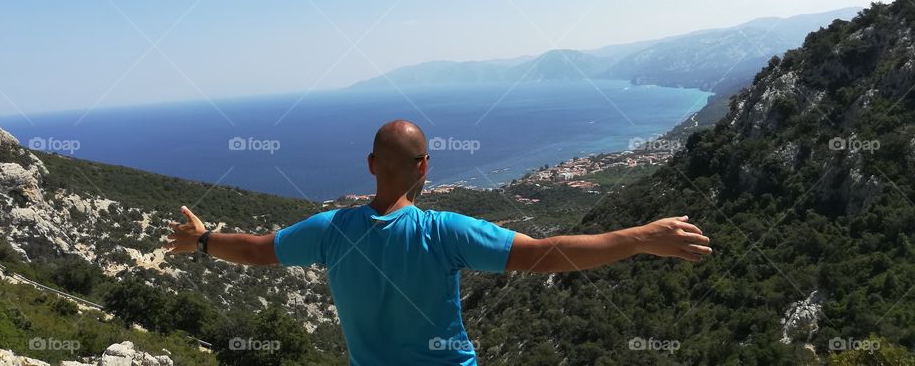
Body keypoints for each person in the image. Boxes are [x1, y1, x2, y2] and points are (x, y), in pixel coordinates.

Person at [166, 119, 711, 365]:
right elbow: (548, 255)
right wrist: (639, 237)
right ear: (425, 167)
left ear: (372, 165)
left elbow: (258, 250)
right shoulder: (444, 232)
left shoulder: (329, 231)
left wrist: (204, 240)